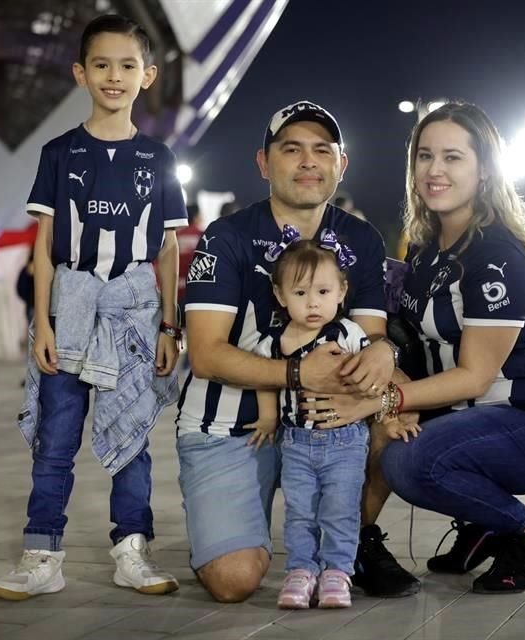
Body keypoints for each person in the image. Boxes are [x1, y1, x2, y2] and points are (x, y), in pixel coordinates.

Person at [305, 102, 525, 594]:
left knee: (409, 461)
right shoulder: (425, 246)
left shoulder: (496, 254)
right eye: (425, 155)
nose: (434, 170)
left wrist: (386, 400)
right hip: (465, 412)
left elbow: (476, 377)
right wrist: (384, 386)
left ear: (484, 172)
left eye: (453, 158)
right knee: (379, 431)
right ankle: (351, 547)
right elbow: (410, 345)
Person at [176, 100, 419, 603]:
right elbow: (205, 355)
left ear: (340, 164)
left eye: (321, 150)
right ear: (264, 163)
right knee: (235, 579)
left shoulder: (361, 239)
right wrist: (296, 373)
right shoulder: (228, 237)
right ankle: (241, 527)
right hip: (237, 424)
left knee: (392, 408)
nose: (309, 161)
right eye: (292, 149)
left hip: (327, 421)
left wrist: (385, 359)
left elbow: (372, 340)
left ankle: (354, 540)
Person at [0, 14, 186, 601]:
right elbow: (45, 248)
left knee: (132, 438)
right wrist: (42, 324)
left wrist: (169, 326)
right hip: (71, 311)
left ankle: (133, 550)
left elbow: (170, 249)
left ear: (147, 75)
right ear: (81, 73)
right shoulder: (58, 152)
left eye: (128, 65)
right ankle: (41, 554)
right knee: (56, 438)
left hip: (133, 311)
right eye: (101, 64)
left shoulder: (158, 158)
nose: (114, 76)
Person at [250, 235, 414, 609]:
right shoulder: (274, 342)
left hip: (346, 442)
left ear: (341, 292)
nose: (312, 302)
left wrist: (387, 417)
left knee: (340, 509)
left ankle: (338, 571)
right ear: (280, 295)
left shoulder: (349, 334)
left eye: (323, 291)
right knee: (300, 510)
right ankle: (300, 571)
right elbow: (265, 379)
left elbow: (374, 380)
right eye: (301, 292)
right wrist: (268, 418)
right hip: (296, 443)